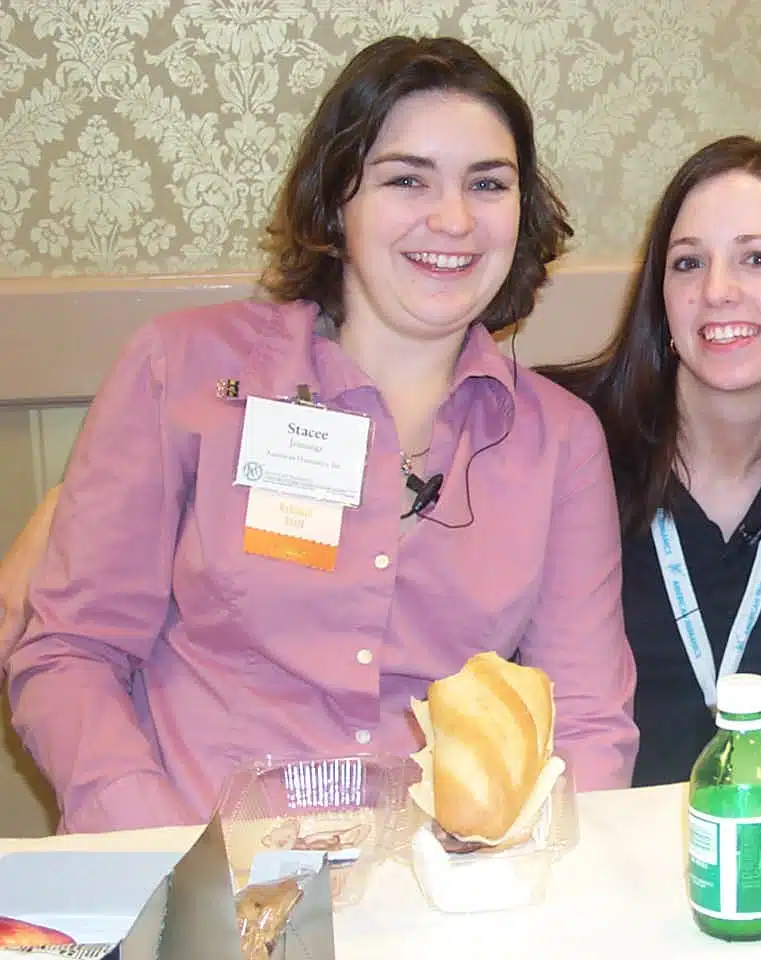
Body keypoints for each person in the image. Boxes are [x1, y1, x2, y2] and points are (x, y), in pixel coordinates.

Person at [3, 36, 638, 834]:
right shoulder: (189, 371)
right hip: (193, 874)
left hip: (435, 898)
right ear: (336, 204)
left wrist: (513, 884)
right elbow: (70, 654)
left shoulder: (559, 441)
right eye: (407, 179)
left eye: (488, 184)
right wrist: (166, 848)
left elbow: (584, 723)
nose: (453, 218)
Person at [543, 136, 761, 787]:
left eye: (757, 259)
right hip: (582, 843)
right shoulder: (561, 438)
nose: (717, 291)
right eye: (688, 264)